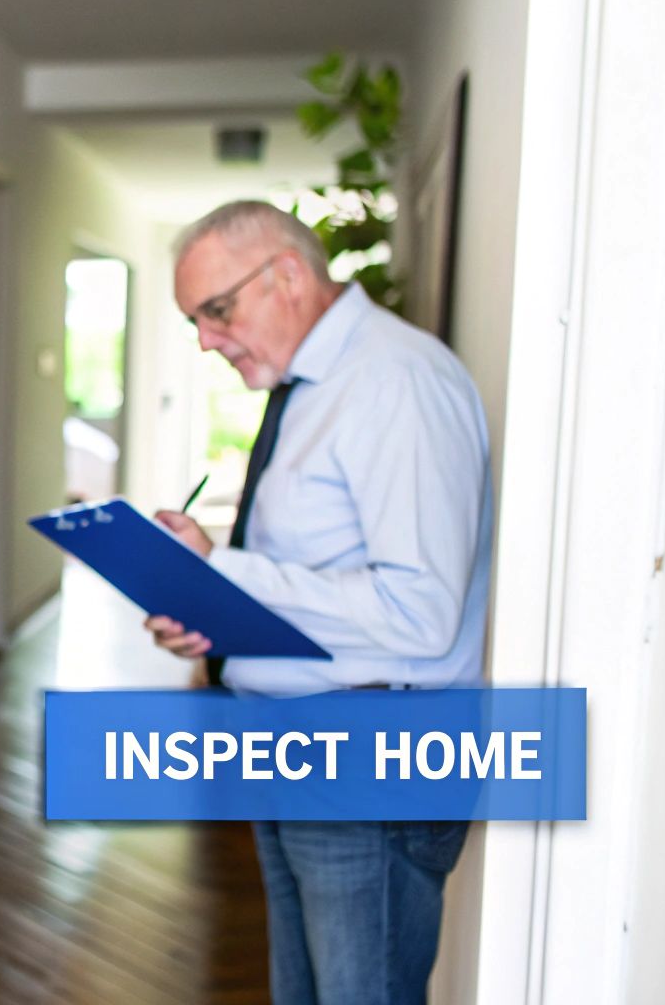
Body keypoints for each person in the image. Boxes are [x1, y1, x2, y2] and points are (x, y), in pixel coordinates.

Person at [144, 201, 491, 1004]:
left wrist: (224, 573)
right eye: (194, 319)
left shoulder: (395, 381)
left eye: (216, 310)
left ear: (289, 276)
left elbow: (421, 612)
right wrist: (208, 609)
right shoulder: (312, 383)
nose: (204, 339)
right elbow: (318, 573)